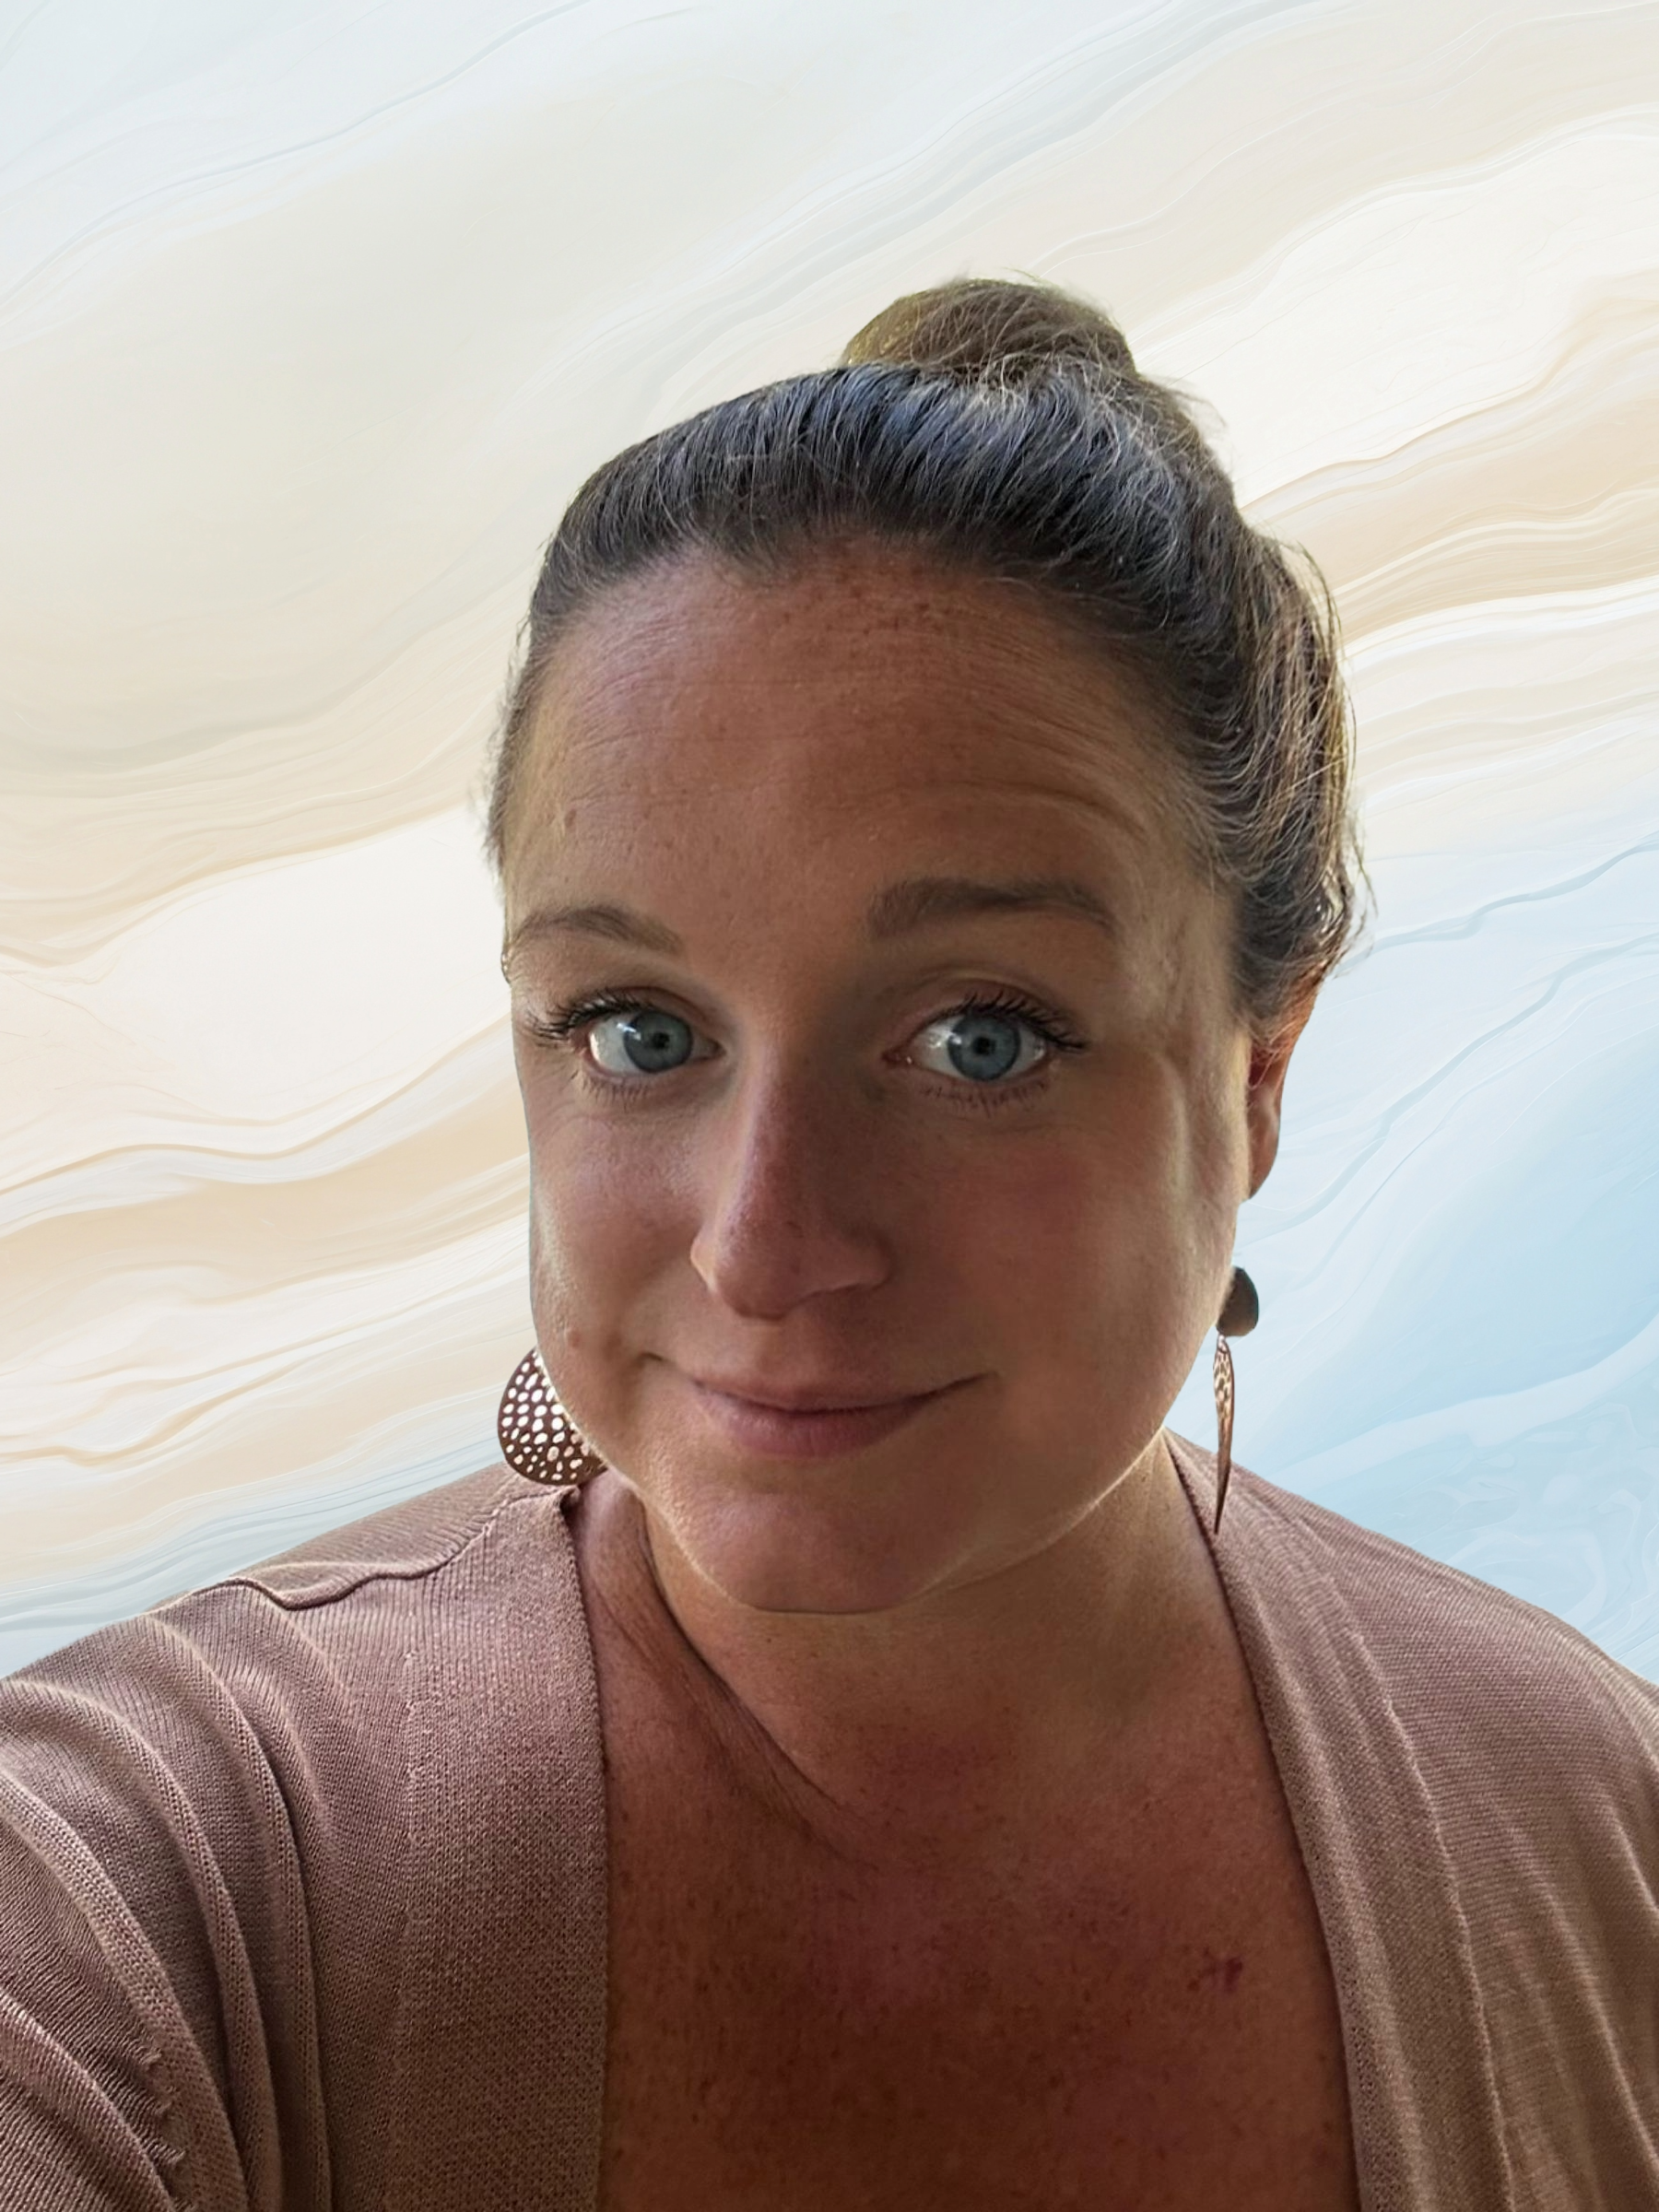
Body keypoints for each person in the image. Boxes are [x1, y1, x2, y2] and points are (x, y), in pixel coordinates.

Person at [2, 279, 1654, 2212]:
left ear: (1260, 1069)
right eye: (641, 1031)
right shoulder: (156, 1869)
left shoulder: (1589, 1837)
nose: (766, 1244)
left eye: (980, 1038)